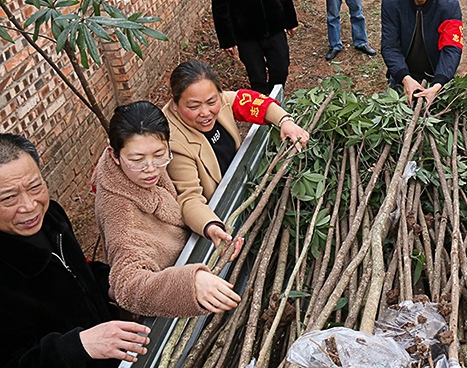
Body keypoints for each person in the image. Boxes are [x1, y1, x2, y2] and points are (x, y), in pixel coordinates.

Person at [0, 133, 151, 367]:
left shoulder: (51, 217)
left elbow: (79, 272)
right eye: (9, 198)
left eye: (35, 186)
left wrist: (118, 286)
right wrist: (78, 345)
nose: (29, 206)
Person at [93, 102, 241, 318]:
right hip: (166, 306)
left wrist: (209, 227)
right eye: (137, 160)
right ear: (114, 155)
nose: (151, 169)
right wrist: (188, 285)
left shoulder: (138, 170)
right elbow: (126, 284)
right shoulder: (119, 211)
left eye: (160, 155)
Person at [164, 60, 310, 238]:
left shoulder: (219, 99)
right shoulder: (174, 142)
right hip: (220, 210)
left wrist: (285, 121)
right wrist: (211, 226)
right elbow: (189, 199)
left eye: (211, 102)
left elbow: (251, 102)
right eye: (194, 107)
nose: (205, 112)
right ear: (175, 103)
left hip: (239, 185)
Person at [381, 0, 464, 105]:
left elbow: (452, 49)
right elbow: (390, 46)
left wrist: (438, 84)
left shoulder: (449, 6)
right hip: (403, 76)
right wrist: (405, 78)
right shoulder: (391, 3)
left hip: (437, 76)